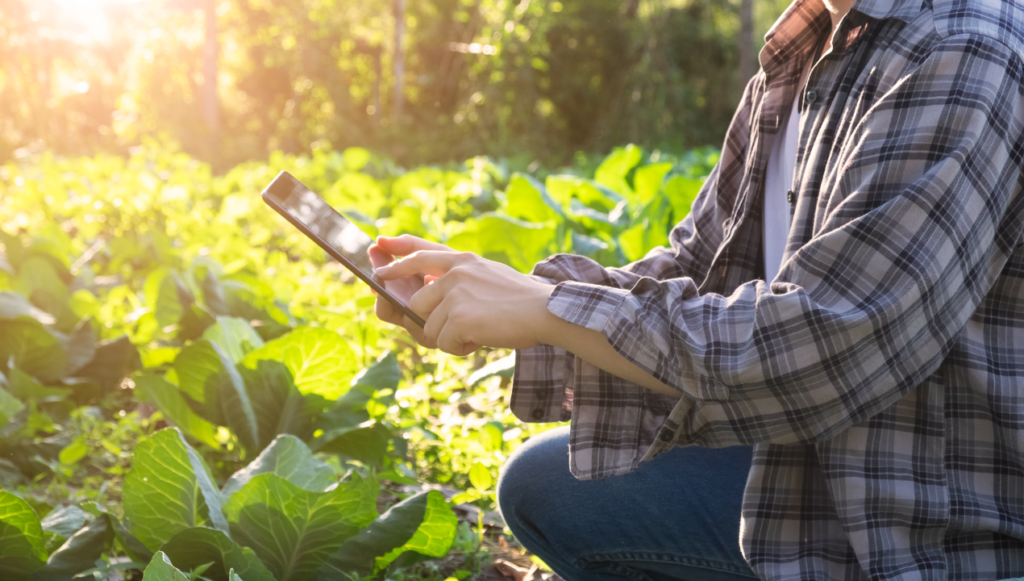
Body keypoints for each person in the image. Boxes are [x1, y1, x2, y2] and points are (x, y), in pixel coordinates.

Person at [369, 0, 1024, 577]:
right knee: (547, 484)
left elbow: (831, 340)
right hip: (807, 465)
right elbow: (698, 263)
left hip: (922, 526)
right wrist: (501, 297)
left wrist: (549, 310)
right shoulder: (806, 40)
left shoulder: (963, 45)